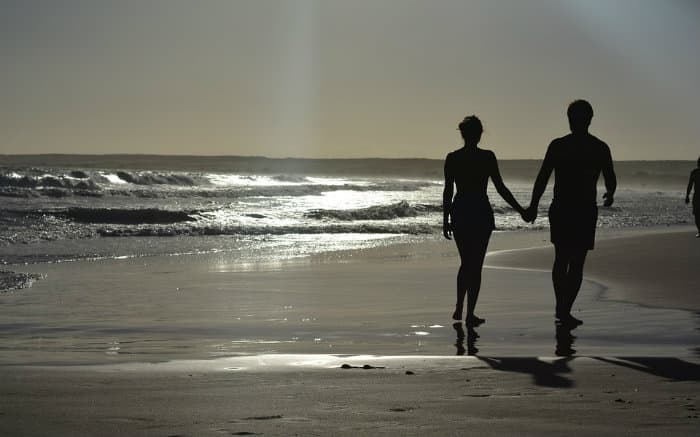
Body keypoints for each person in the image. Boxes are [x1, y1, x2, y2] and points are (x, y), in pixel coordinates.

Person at [524, 100, 616, 327]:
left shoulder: (558, 145)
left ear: (569, 119)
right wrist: (610, 194)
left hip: (562, 208)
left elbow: (543, 177)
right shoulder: (599, 147)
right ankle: (564, 308)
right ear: (590, 119)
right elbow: (610, 178)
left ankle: (561, 306)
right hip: (584, 209)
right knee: (577, 263)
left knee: (561, 259)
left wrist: (533, 205)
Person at [443, 115, 526, 326]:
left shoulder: (453, 158)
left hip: (460, 212)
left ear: (462, 134)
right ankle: (470, 313)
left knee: (466, 263)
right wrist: (521, 210)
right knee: (476, 265)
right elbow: (501, 188)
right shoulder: (487, 157)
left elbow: (447, 191)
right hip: (480, 212)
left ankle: (460, 306)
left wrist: (445, 218)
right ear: (479, 134)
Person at [685, 157, 700, 237]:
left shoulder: (694, 172)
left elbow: (690, 185)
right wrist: (687, 196)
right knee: (697, 215)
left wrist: (687, 196)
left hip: (697, 196)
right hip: (697, 196)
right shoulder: (694, 173)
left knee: (697, 215)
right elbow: (690, 185)